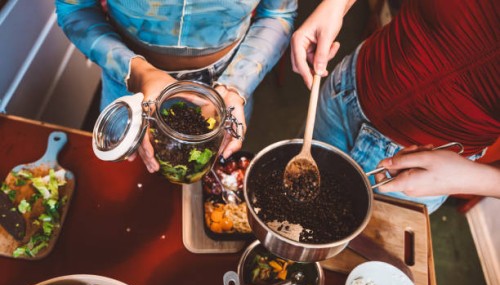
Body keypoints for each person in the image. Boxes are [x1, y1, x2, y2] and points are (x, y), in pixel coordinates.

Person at [291, 0, 499, 213]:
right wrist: (336, 5)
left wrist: (472, 178)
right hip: (346, 94)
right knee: (292, 206)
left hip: (420, 172)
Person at [55, 0, 297, 172]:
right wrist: (138, 73)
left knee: (206, 178)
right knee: (126, 183)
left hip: (227, 86)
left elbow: (277, 14)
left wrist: (235, 86)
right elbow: (76, 7)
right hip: (130, 83)